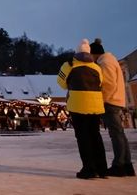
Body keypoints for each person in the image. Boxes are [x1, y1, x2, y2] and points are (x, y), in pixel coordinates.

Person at [57, 39, 107, 179]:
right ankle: (102, 169)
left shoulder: (69, 65)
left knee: (83, 137)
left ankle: (89, 168)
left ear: (77, 52)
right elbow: (101, 83)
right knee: (95, 135)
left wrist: (72, 85)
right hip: (96, 105)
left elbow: (60, 82)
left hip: (78, 104)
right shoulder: (96, 67)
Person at [90, 38, 135, 177]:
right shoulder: (111, 60)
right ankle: (127, 165)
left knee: (116, 135)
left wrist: (102, 100)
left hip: (110, 102)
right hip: (116, 101)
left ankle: (119, 165)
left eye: (91, 55)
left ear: (95, 54)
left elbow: (108, 84)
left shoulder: (105, 62)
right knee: (119, 134)